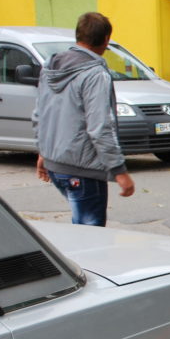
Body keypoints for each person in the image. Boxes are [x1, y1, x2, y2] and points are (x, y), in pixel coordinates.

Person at [32, 12, 134, 226]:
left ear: (78, 36)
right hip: (84, 169)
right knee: (91, 240)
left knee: (81, 234)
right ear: (106, 40)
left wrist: (43, 152)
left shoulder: (50, 68)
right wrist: (119, 171)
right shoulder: (95, 74)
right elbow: (100, 127)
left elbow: (40, 115)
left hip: (56, 165)